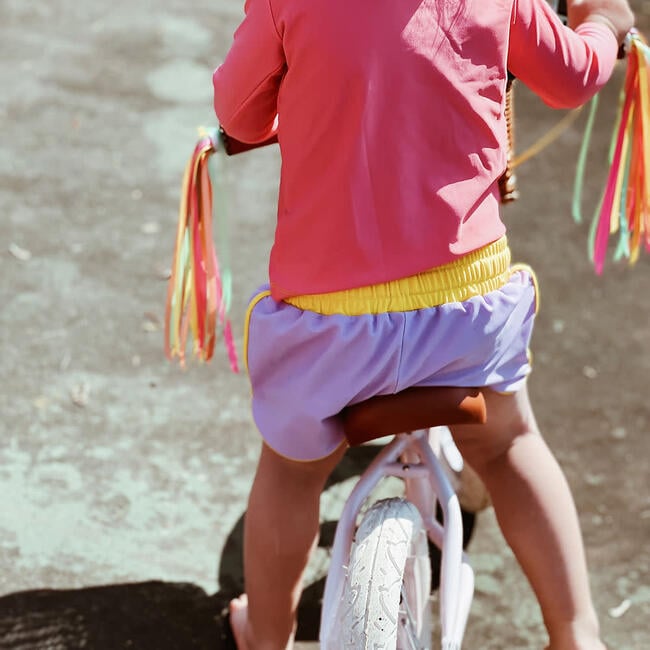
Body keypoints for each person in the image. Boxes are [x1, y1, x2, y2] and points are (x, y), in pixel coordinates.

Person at [212, 0, 635, 648]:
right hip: (464, 312)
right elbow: (573, 77)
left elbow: (238, 112)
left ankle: (266, 635)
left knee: (292, 473)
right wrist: (604, 22)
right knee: (510, 446)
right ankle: (577, 635)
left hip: (331, 327)